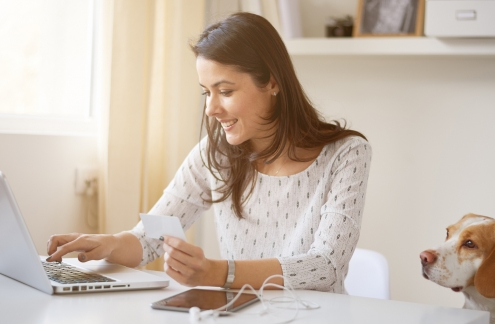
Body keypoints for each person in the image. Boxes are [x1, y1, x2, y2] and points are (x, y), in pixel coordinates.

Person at [46, 12, 372, 293]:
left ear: (272, 83)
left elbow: (324, 266)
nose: (211, 109)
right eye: (206, 92)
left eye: (225, 91)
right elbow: (150, 240)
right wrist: (109, 244)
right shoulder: (214, 154)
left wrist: (218, 273)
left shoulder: (345, 154)